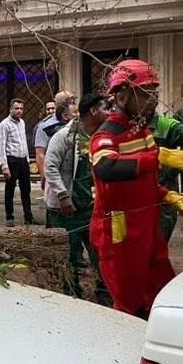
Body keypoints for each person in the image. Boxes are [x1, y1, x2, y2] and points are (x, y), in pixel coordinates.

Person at [89, 59, 183, 317]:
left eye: (153, 93)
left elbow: (144, 180)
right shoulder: (107, 135)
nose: (151, 101)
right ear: (120, 96)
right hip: (121, 234)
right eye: (143, 94)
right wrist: (159, 157)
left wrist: (169, 195)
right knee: (131, 306)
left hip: (149, 230)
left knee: (161, 294)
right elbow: (105, 168)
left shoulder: (142, 132)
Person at [44, 91, 109, 299]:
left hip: (90, 207)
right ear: (92, 111)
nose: (109, 112)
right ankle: (70, 292)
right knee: (68, 254)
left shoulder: (100, 137)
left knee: (98, 251)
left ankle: (103, 290)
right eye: (104, 108)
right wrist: (63, 196)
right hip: (66, 209)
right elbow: (50, 166)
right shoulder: (64, 136)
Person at [142, 99, 183, 242]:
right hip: (137, 185)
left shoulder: (166, 124)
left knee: (163, 227)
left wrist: (174, 169)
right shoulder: (130, 124)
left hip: (163, 185)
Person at [0, 98, 38, 227]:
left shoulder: (22, 123)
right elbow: (1, 146)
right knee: (10, 190)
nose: (19, 111)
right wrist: (4, 166)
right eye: (16, 108)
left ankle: (28, 216)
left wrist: (27, 160)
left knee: (26, 190)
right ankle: (9, 217)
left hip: (22, 160)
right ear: (10, 109)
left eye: (21, 108)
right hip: (11, 160)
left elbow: (23, 142)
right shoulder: (4, 125)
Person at [34, 90, 77, 189]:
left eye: (74, 101)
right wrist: (43, 176)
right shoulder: (46, 126)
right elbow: (40, 153)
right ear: (58, 104)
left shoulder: (77, 121)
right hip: (57, 173)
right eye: (70, 101)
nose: (73, 104)